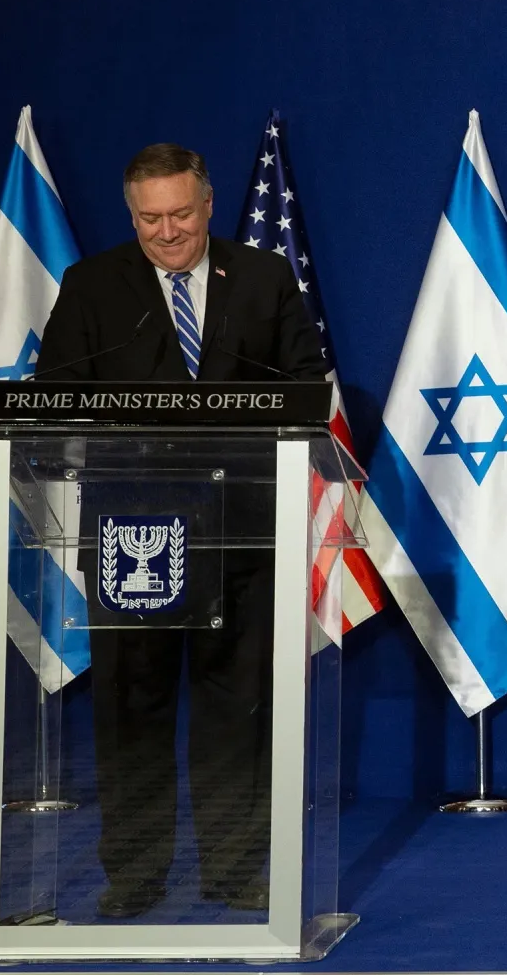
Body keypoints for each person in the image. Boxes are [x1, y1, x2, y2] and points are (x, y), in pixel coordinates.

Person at [35, 143, 326, 919]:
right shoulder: (93, 285)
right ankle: (134, 874)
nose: (166, 232)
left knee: (238, 708)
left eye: (180, 215)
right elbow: (53, 397)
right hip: (132, 536)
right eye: (149, 218)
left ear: (208, 202)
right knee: (131, 705)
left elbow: (307, 387)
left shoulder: (262, 277)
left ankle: (233, 868)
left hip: (241, 532)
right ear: (132, 215)